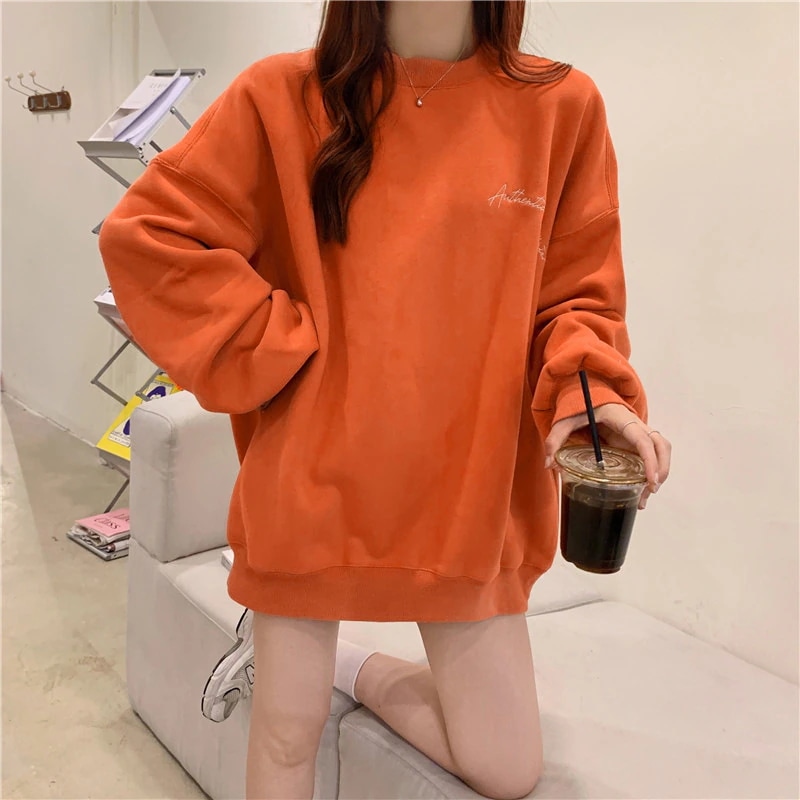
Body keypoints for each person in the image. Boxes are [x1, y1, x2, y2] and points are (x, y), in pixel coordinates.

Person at [99, 0, 672, 797]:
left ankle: (352, 666)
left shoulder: (560, 107)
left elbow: (577, 298)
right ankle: (297, 664)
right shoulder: (278, 96)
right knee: (287, 734)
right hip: (312, 486)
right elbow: (149, 235)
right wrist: (280, 347)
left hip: (469, 502)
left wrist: (595, 398)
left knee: (506, 768)